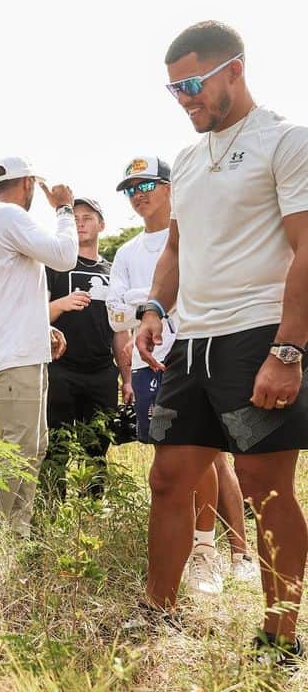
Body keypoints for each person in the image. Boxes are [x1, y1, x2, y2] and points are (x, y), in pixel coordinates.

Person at [136, 21, 308, 662]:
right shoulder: (186, 159)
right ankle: (158, 613)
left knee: (264, 483)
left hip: (258, 334)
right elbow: (178, 248)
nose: (184, 99)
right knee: (169, 476)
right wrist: (157, 306)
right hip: (195, 341)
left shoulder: (285, 141)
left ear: (234, 68)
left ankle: (282, 636)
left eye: (192, 84)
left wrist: (287, 350)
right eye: (174, 88)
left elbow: (306, 248)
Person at [107, 156, 257, 599]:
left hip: (195, 354)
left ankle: (228, 551)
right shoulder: (128, 251)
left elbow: (191, 290)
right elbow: (117, 315)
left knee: (215, 459)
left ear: (171, 186)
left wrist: (143, 301)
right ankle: (191, 555)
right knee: (172, 464)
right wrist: (147, 303)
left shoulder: (190, 232)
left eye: (146, 185)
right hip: (147, 363)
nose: (138, 195)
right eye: (130, 189)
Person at [0, 157, 77, 538]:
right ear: (29, 183)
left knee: (32, 448)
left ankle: (17, 536)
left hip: (19, 350)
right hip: (14, 356)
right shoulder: (9, 217)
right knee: (16, 450)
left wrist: (39, 327)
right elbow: (64, 257)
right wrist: (64, 208)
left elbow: (4, 295)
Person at [41, 197, 128, 499]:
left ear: (102, 224)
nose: (80, 222)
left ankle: (91, 510)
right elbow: (34, 315)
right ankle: (52, 511)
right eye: (75, 217)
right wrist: (62, 305)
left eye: (88, 217)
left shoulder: (114, 271)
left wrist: (127, 379)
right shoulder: (55, 265)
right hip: (60, 369)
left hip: (102, 372)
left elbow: (121, 329)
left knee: (97, 447)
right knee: (56, 446)